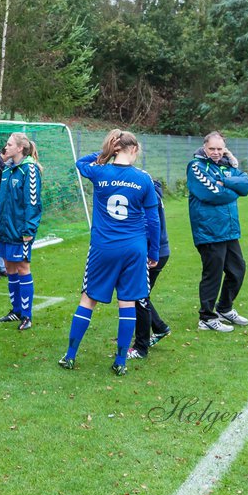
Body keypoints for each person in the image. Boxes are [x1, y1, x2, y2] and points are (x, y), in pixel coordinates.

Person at [59, 130, 160, 375]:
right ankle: (120, 362)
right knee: (127, 302)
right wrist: (153, 251)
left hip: (103, 247)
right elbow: (153, 220)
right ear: (134, 149)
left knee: (88, 299)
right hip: (134, 249)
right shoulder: (143, 179)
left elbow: (80, 163)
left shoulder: (100, 172)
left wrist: (104, 153)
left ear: (115, 148)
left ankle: (70, 356)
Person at [187, 130, 248, 332]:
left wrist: (226, 181)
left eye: (219, 148)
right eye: (212, 149)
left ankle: (224, 308)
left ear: (225, 149)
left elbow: (246, 183)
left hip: (229, 229)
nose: (216, 152)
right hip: (209, 230)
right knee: (212, 274)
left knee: (237, 270)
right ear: (204, 148)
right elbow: (213, 194)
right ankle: (206, 317)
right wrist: (233, 190)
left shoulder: (226, 166)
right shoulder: (196, 166)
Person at [0, 132, 43, 330]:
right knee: (9, 269)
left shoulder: (29, 169)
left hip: (21, 231)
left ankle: (27, 315)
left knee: (23, 268)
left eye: (9, 144)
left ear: (20, 148)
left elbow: (32, 203)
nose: (5, 148)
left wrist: (28, 229)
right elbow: (2, 202)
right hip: (5, 230)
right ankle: (15, 311)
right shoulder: (7, 170)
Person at [129, 174, 173, 359]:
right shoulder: (151, 191)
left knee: (138, 297)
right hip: (158, 251)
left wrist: (146, 251)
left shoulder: (147, 194)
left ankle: (141, 347)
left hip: (151, 253)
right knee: (140, 295)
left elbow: (150, 224)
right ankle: (160, 328)